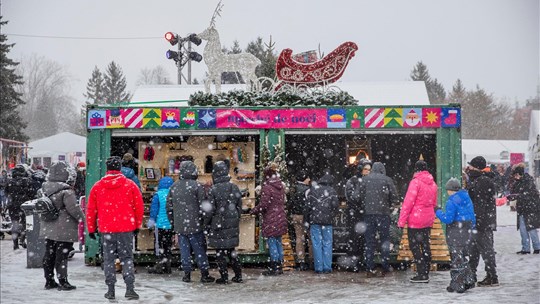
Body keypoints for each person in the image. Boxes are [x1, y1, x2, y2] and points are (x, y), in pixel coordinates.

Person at [86, 156, 144, 300]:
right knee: (127, 258)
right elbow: (139, 208)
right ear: (119, 167)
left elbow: (91, 209)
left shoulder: (97, 186)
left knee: (109, 259)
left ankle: (110, 289)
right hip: (126, 228)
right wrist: (137, 225)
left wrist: (92, 228)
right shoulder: (130, 185)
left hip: (107, 229)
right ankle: (130, 288)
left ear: (107, 168)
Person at [167, 160, 215, 283]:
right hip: (195, 224)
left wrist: (174, 222)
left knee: (184, 251)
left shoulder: (174, 186)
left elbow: (169, 207)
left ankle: (186, 274)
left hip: (180, 225)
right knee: (199, 250)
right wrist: (205, 222)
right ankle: (204, 274)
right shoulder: (197, 186)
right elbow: (204, 206)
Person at [39, 161, 85, 291]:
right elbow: (74, 209)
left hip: (48, 226)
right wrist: (83, 219)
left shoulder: (44, 188)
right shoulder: (66, 191)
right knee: (62, 256)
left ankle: (49, 280)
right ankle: (63, 281)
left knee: (49, 254)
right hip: (63, 228)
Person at [397, 160, 438, 283]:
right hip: (428, 218)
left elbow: (408, 203)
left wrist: (401, 221)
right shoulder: (433, 184)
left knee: (414, 246)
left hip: (416, 218)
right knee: (425, 244)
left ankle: (421, 273)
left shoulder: (415, 183)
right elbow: (434, 203)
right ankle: (426, 270)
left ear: (416, 169)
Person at [435, 178, 476, 293]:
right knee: (461, 257)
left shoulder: (452, 200)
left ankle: (458, 285)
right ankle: (468, 281)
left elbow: (448, 219)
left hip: (455, 232)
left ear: (451, 190)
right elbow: (473, 217)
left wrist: (437, 212)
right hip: (466, 231)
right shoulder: (466, 198)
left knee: (456, 259)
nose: (447, 192)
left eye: (448, 190)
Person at [206, 161, 243, 284]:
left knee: (220, 252)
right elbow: (239, 206)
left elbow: (209, 210)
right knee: (231, 251)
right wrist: (235, 217)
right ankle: (238, 275)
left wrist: (207, 223)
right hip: (231, 224)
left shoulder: (213, 189)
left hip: (218, 224)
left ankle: (224, 277)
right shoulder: (234, 187)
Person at [360, 162, 399, 277]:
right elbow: (394, 197)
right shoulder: (387, 180)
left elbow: (359, 196)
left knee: (369, 241)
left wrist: (366, 205)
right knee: (384, 240)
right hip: (383, 214)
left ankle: (369, 267)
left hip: (369, 214)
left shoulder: (365, 180)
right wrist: (391, 204)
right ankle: (385, 266)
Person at [466, 156, 499, 287]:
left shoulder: (482, 182)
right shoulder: (478, 180)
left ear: (477, 167)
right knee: (474, 250)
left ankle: (492, 276)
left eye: (471, 166)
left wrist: (478, 220)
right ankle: (471, 275)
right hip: (480, 221)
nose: (469, 168)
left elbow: (480, 203)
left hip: (482, 222)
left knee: (486, 250)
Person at [250, 164, 288, 276]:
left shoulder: (267, 187)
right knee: (278, 242)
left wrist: (253, 210)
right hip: (280, 217)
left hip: (271, 218)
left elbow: (264, 205)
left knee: (272, 243)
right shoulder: (280, 186)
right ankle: (279, 266)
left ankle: (274, 267)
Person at [305, 170, 339, 274]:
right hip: (327, 222)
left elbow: (307, 208)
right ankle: (327, 267)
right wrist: (331, 216)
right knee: (327, 243)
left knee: (316, 244)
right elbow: (335, 207)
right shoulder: (332, 191)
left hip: (315, 221)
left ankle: (318, 267)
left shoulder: (312, 190)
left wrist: (306, 221)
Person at [344, 159, 371, 272]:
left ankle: (361, 262)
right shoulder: (353, 181)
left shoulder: (369, 181)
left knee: (363, 240)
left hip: (365, 215)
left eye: (369, 170)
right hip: (354, 215)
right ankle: (352, 264)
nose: (368, 172)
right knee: (353, 240)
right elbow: (351, 197)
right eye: (365, 169)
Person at [508, 165, 540, 254]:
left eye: (516, 175)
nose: (515, 177)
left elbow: (529, 195)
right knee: (523, 230)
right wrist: (511, 197)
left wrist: (518, 196)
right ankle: (526, 248)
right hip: (522, 209)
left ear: (520, 174)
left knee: (531, 229)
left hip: (530, 209)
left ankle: (537, 247)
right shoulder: (518, 182)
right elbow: (515, 193)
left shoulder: (528, 182)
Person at [5, 164, 38, 250]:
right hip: (24, 205)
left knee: (15, 224)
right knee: (25, 223)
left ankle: (15, 244)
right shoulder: (27, 181)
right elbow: (32, 194)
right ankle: (22, 239)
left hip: (12, 205)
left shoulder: (9, 182)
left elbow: (6, 193)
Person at [147, 176, 175, 274]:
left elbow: (154, 211)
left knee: (159, 246)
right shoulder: (173, 194)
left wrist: (150, 224)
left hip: (160, 225)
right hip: (170, 225)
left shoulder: (157, 195)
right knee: (168, 246)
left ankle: (159, 266)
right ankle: (168, 266)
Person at [287, 170, 311, 271]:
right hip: (305, 216)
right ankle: (312, 260)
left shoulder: (293, 188)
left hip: (295, 215)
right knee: (310, 239)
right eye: (308, 178)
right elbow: (309, 204)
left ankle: (301, 260)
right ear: (304, 179)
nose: (309, 180)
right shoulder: (307, 190)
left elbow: (290, 202)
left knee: (299, 238)